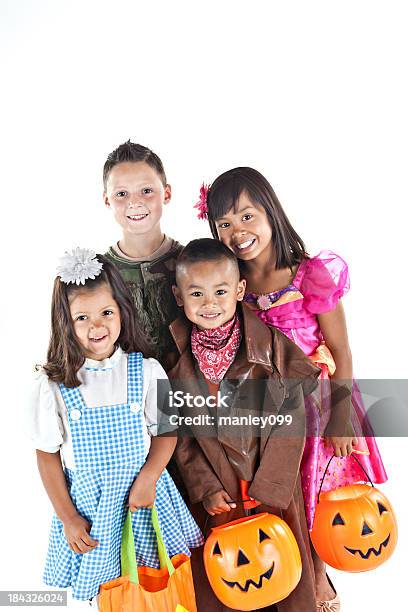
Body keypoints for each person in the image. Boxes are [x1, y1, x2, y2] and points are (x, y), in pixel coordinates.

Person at [200, 167, 388, 608]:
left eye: (247, 216)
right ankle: (295, 585)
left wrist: (342, 418)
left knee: (320, 501)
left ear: (271, 211)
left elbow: (341, 351)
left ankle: (323, 587)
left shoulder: (309, 274)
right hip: (270, 416)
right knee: (285, 505)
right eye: (224, 224)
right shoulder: (233, 289)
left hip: (320, 410)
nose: (238, 231)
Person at [25, 249, 203, 602]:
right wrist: (68, 518)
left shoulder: (147, 370)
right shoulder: (54, 386)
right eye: (82, 318)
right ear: (65, 323)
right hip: (94, 512)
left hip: (145, 501)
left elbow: (166, 432)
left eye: (107, 312)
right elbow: (47, 456)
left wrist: (149, 478)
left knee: (156, 587)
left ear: (122, 310)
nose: (97, 326)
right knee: (109, 592)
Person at [168, 238, 324, 612]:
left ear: (239, 289)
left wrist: (271, 486)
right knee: (228, 581)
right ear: (178, 296)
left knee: (280, 572)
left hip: (270, 490)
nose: (210, 304)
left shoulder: (270, 348)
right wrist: (204, 487)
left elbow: (292, 417)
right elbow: (179, 437)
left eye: (220, 291)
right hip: (218, 499)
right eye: (197, 293)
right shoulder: (174, 363)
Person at [103, 140, 182, 369]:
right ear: (107, 199)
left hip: (190, 395)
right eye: (121, 194)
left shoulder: (193, 262)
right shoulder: (100, 274)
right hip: (126, 398)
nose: (134, 202)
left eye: (146, 191)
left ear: (166, 193)